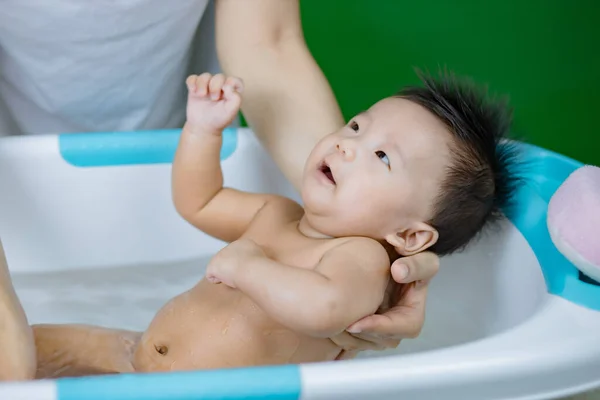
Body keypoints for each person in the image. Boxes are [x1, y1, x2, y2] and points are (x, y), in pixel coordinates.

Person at [0, 58, 517, 378]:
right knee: (23, 348)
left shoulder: (358, 260)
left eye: (383, 157)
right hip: (131, 352)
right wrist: (203, 132)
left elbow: (324, 306)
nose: (347, 143)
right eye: (357, 125)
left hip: (207, 395)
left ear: (408, 234)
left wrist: (251, 268)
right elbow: (198, 202)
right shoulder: (277, 214)